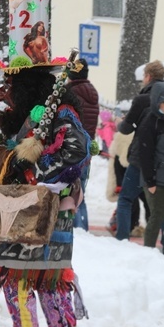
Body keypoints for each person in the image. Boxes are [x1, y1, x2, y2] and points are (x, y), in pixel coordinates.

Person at [0, 64, 90, 327]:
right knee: (16, 275)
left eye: (11, 87)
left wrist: (35, 171)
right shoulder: (29, 116)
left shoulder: (61, 113)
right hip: (22, 204)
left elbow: (76, 152)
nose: (6, 94)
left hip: (49, 207)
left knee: (47, 277)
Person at [114, 60, 164, 241]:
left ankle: (122, 240)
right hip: (163, 157)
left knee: (125, 199)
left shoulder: (142, 99)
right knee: (160, 204)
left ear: (148, 76)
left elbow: (126, 128)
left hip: (141, 156)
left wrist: (121, 123)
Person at [129, 81, 164, 254]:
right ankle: (149, 251)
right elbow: (146, 155)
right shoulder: (150, 124)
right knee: (157, 216)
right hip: (155, 181)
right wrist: (150, 180)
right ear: (157, 102)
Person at [67, 57, 100, 231]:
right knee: (80, 191)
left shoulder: (70, 93)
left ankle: (77, 229)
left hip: (72, 147)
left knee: (70, 191)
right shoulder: (91, 91)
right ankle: (82, 228)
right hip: (87, 147)